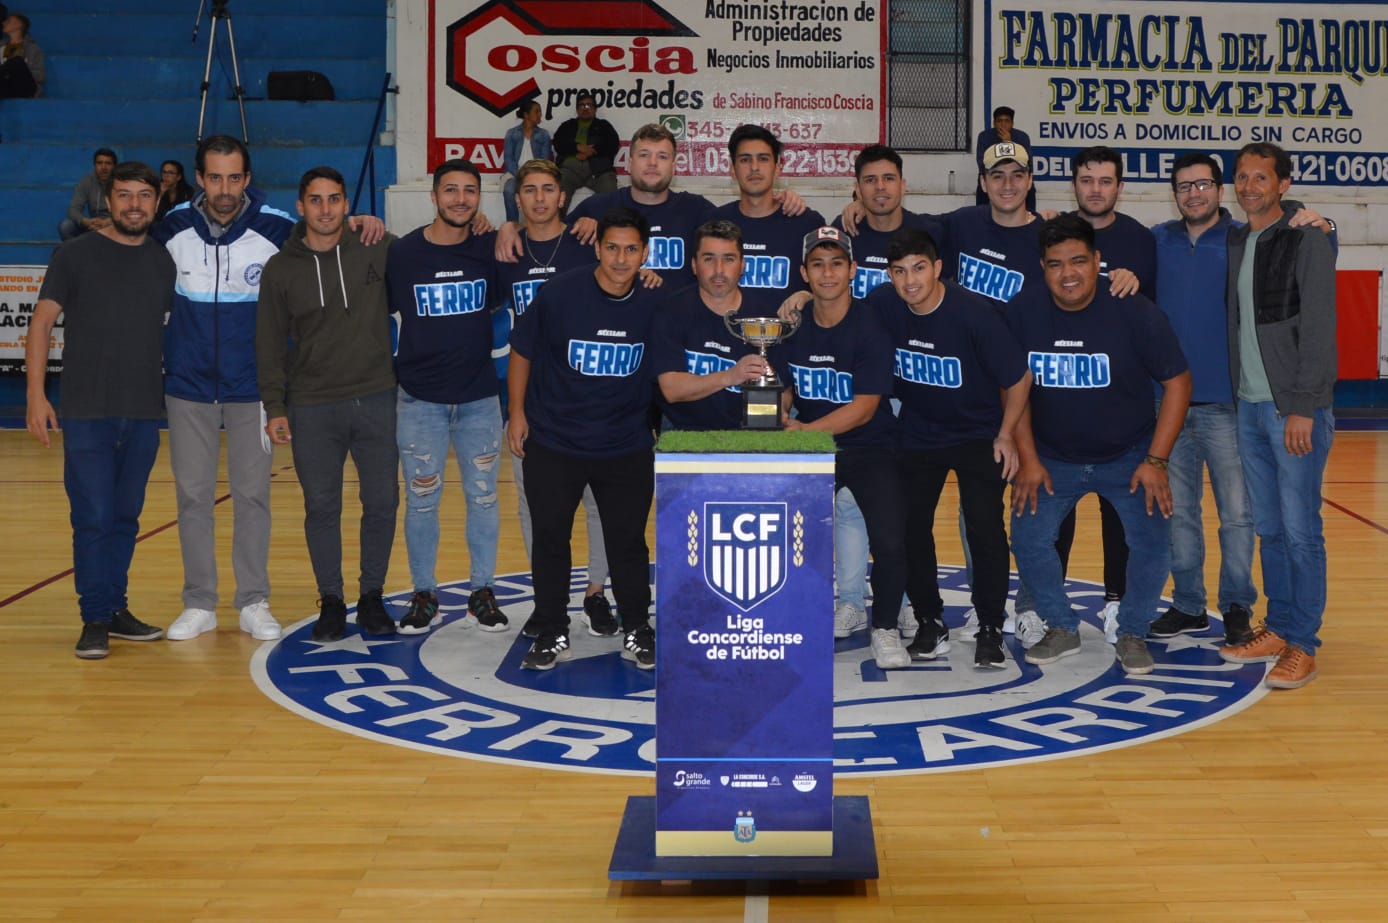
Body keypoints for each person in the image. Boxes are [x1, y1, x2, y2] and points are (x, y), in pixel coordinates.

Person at [153, 134, 383, 644]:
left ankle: (254, 600)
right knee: (192, 498)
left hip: (252, 390)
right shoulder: (171, 229)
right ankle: (199, 603)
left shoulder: (279, 228)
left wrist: (363, 220)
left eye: (234, 177)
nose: (225, 188)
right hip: (188, 387)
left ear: (248, 180)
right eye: (215, 177)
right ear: (199, 179)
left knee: (253, 496)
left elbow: (329, 229)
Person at [1008, 215, 1191, 674]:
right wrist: (1028, 459)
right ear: (1042, 269)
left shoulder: (1135, 310)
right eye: (1055, 265)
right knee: (1028, 536)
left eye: (1078, 261)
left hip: (1129, 454)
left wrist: (1156, 460)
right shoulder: (1023, 310)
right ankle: (1062, 625)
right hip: (1052, 455)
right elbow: (1014, 388)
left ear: (1098, 262)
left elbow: (1178, 382)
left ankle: (1131, 630)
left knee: (1152, 540)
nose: (1068, 274)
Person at [25, 161, 173, 659]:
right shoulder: (74, 255)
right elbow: (42, 324)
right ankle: (93, 616)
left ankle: (115, 608)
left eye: (144, 195)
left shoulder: (161, 260)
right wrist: (36, 394)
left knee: (126, 518)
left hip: (144, 411)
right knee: (93, 516)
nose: (135, 204)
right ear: (107, 202)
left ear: (156, 202)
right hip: (88, 410)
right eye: (125, 194)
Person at [507, 207, 660, 671]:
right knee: (550, 539)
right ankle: (552, 630)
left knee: (628, 542)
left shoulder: (656, 302)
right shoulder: (559, 294)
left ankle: (636, 627)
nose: (620, 258)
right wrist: (516, 412)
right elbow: (522, 350)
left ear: (644, 253)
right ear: (597, 248)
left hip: (626, 445)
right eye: (611, 247)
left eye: (631, 249)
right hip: (555, 441)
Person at [869, 227, 1030, 668]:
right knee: (908, 526)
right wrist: (805, 298)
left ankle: (991, 626)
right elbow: (841, 314)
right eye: (899, 272)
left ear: (938, 268)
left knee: (984, 526)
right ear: (890, 275)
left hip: (978, 432)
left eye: (919, 268)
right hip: (919, 431)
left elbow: (1018, 379)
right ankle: (930, 622)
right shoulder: (884, 303)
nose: (910, 281)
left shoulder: (974, 315)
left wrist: (1005, 434)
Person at [257, 166, 399, 641]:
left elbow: (436, 249)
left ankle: (374, 596)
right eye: (315, 200)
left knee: (381, 501)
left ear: (346, 204)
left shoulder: (375, 244)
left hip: (377, 396)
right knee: (322, 507)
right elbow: (269, 343)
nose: (325, 209)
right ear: (301, 207)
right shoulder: (281, 268)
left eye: (334, 199)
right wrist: (275, 407)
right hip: (312, 405)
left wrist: (488, 224)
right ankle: (333, 600)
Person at [1218, 142, 1337, 690]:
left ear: (1283, 184)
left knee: (1300, 529)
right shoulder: (1240, 237)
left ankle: (1304, 644)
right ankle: (1282, 623)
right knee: (1269, 528)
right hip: (1249, 406)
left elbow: (1317, 327)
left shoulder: (1307, 236)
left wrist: (1303, 407)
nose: (1248, 186)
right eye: (1241, 177)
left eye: (1260, 177)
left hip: (1292, 410)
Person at [774, 226, 910, 670]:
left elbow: (865, 407)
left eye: (836, 263)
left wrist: (804, 432)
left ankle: (885, 626)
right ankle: (789, 618)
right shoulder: (791, 327)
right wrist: (780, 412)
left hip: (869, 446)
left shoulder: (871, 325)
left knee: (890, 539)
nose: (828, 272)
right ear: (804, 273)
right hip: (812, 448)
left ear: (853, 270)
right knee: (788, 539)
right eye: (818, 263)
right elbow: (785, 387)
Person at [496, 158, 622, 635]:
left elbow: (628, 264)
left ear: (563, 196)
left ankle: (595, 592)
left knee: (596, 503)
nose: (541, 198)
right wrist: (515, 410)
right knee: (535, 504)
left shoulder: (586, 243)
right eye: (530, 190)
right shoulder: (505, 251)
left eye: (549, 188)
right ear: (519, 198)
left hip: (591, 397)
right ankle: (547, 596)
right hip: (533, 399)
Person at [386, 158, 508, 636]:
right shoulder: (404, 254)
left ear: (480, 197)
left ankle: (482, 591)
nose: (461, 198)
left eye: (470, 190)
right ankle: (424, 594)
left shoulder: (488, 248)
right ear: (434, 196)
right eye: (451, 190)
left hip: (479, 399)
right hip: (420, 400)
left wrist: (502, 227)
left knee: (483, 498)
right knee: (421, 503)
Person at [1056, 146, 1158, 642]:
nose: (1095, 188)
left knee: (1121, 512)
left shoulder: (1141, 240)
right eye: (1086, 179)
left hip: (1122, 400)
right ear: (1073, 183)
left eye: (1105, 180)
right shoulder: (1051, 232)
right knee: (1056, 507)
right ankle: (1047, 603)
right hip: (1059, 393)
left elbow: (1153, 317)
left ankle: (1118, 600)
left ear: (1119, 186)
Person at [652, 219, 767, 430]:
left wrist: (771, 419)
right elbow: (671, 389)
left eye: (729, 259)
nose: (719, 270)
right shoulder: (670, 311)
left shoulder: (764, 317)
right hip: (682, 430)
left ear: (743, 265)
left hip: (746, 430)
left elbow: (780, 387)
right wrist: (730, 376)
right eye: (709, 259)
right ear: (694, 265)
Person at [707, 124, 825, 315]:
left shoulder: (806, 223)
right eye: (745, 160)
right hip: (725, 340)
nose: (754, 167)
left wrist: (809, 295)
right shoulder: (714, 223)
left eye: (763, 159)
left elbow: (831, 284)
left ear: (778, 168)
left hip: (790, 341)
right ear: (732, 170)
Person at [552, 92, 619, 207]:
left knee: (610, 194)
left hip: (599, 170)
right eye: (582, 105)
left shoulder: (604, 125)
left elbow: (613, 144)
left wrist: (591, 152)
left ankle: (609, 224)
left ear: (595, 109)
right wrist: (576, 148)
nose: (585, 108)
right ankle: (557, 223)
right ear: (577, 109)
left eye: (589, 105)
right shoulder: (567, 125)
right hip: (570, 169)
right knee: (557, 193)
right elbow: (558, 143)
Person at [499, 100, 553, 223]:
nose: (540, 115)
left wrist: (532, 176)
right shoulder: (512, 133)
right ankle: (513, 226)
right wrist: (520, 175)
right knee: (509, 190)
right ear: (526, 114)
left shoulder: (544, 135)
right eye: (537, 111)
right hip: (514, 174)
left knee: (538, 194)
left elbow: (544, 161)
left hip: (537, 174)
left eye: (540, 111)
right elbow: (508, 158)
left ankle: (536, 226)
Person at [975, 106, 1035, 210]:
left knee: (1030, 185)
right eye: (999, 121)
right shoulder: (984, 137)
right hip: (993, 176)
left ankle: (1029, 217)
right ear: (994, 123)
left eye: (1007, 121)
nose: (1003, 124)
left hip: (1016, 176)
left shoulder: (1022, 137)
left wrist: (1008, 142)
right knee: (982, 182)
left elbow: (1028, 164)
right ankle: (982, 218)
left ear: (1012, 123)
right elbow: (982, 163)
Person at [59, 149, 117, 241]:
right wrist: (86, 222)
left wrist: (108, 222)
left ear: (114, 166)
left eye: (108, 163)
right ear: (94, 165)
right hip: (93, 225)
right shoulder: (87, 181)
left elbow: (127, 214)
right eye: (99, 163)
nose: (103, 167)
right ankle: (76, 255)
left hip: (115, 226)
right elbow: (73, 209)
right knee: (66, 226)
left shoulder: (122, 182)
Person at [0, 11, 42, 98]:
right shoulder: (1, 46)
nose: (3, 23)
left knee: (17, 61)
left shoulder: (32, 49)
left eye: (8, 21)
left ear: (18, 25)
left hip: (24, 87)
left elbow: (40, 75)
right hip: (5, 86)